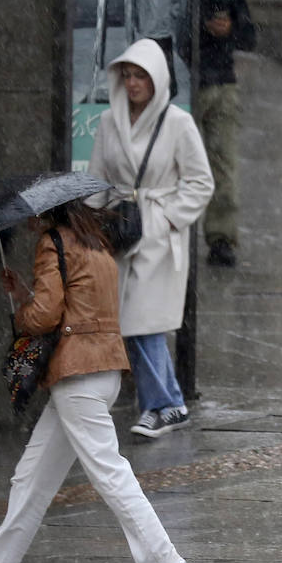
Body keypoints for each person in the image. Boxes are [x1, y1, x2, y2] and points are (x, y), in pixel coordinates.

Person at [0, 200, 196, 563]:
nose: (28, 220)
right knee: (32, 476)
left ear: (48, 212)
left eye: (33, 214)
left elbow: (46, 316)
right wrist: (27, 292)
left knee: (109, 473)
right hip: (102, 369)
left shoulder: (53, 242)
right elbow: (79, 304)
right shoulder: (96, 243)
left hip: (76, 374)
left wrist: (20, 314)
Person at [88, 39, 213, 439]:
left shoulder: (178, 123)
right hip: (121, 230)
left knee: (142, 320)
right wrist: (91, 225)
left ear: (157, 79)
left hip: (158, 232)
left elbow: (200, 182)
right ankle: (169, 401)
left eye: (140, 75)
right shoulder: (109, 122)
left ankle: (161, 405)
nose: (133, 83)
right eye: (127, 76)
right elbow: (97, 181)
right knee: (132, 321)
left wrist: (166, 219)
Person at [192, 0, 256, 268]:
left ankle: (221, 237)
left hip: (220, 81)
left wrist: (230, 28)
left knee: (222, 163)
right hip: (186, 81)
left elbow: (249, 34)